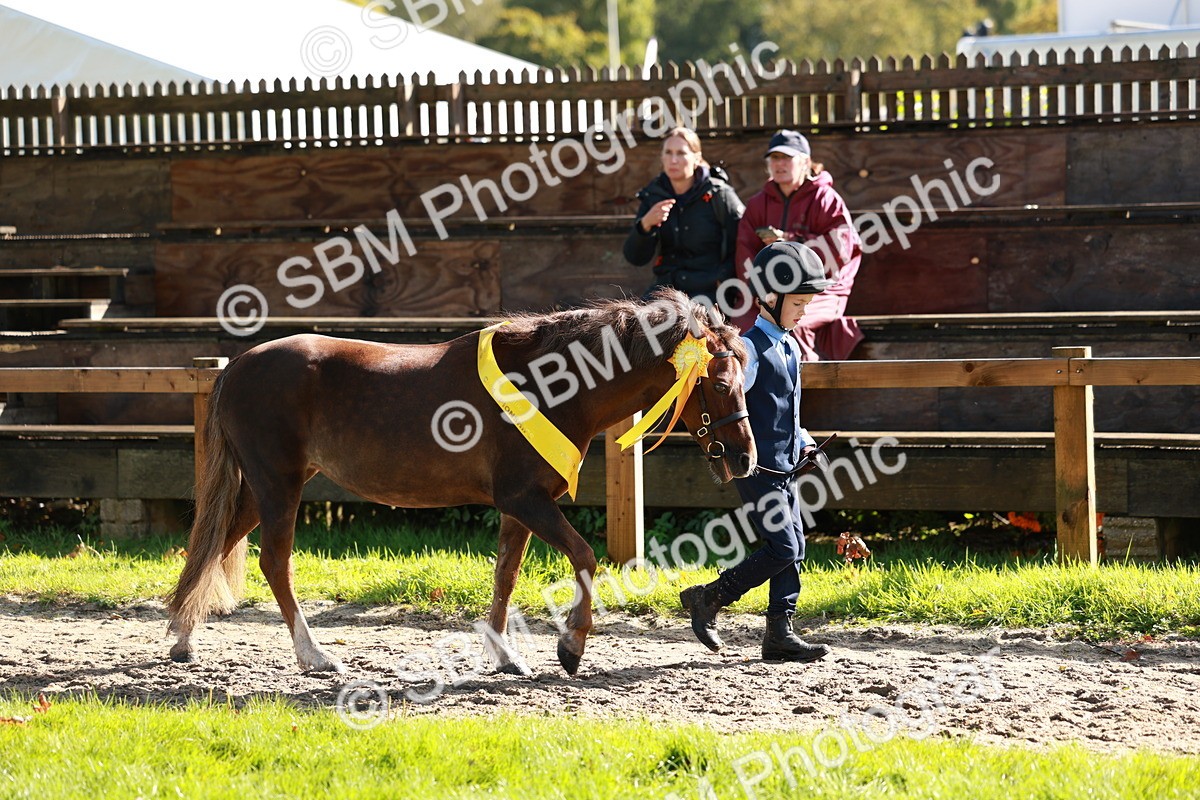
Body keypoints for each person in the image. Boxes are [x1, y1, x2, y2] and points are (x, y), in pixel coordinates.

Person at [680, 240, 832, 663]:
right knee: (783, 547)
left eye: (807, 302)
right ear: (769, 297)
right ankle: (709, 598)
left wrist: (804, 440)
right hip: (757, 466)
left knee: (794, 546)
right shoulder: (751, 351)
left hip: (785, 464)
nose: (804, 311)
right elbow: (732, 404)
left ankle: (779, 633)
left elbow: (789, 409)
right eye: (798, 302)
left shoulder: (790, 346)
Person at [733, 129, 864, 362]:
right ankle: (751, 392)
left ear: (805, 161)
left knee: (794, 321)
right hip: (768, 290)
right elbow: (745, 250)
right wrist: (757, 287)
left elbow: (840, 249)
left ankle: (802, 392)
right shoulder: (757, 204)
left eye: (787, 157)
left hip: (821, 288)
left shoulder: (826, 198)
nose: (779, 164)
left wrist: (792, 241)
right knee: (739, 325)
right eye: (774, 158)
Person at [624, 127, 745, 304]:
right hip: (665, 291)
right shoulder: (654, 195)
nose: (674, 160)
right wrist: (645, 225)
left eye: (681, 153)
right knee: (633, 326)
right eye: (668, 153)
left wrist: (724, 279)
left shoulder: (719, 194)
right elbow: (635, 257)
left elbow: (744, 241)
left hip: (710, 293)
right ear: (662, 158)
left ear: (696, 158)